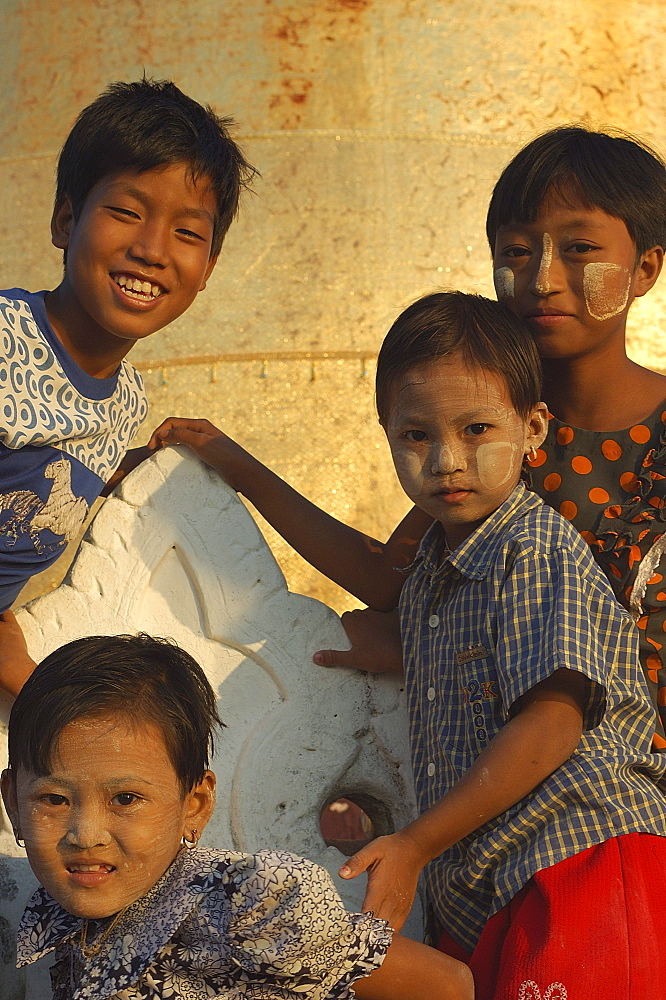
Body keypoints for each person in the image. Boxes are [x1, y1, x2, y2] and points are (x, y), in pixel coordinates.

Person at [151, 126, 666, 749]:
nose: (543, 277)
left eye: (580, 248)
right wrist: (232, 465)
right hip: (532, 795)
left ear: (644, 269)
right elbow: (390, 579)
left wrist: (435, 639)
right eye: (517, 251)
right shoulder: (491, 437)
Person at [0, 633, 473, 1000]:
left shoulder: (242, 907)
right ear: (14, 804)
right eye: (54, 800)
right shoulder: (73, 909)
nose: (86, 835)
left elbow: (445, 986)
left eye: (125, 799)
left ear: (196, 805)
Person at [0, 77, 256, 698]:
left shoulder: (126, 403)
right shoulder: (6, 344)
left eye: (188, 233)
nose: (151, 250)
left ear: (209, 270)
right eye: (126, 211)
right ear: (66, 218)